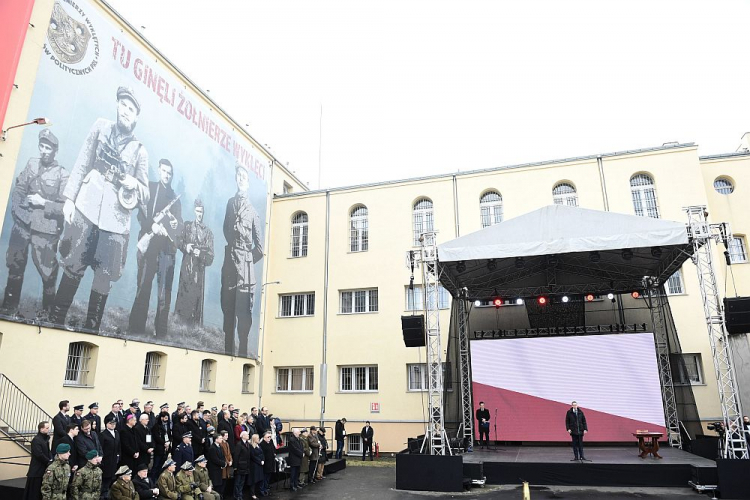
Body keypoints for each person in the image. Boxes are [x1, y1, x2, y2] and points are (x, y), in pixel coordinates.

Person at [51, 86, 149, 332]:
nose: (126, 112)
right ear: (117, 105)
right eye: (124, 105)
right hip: (86, 207)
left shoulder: (140, 151)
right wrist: (70, 199)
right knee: (73, 265)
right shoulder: (100, 127)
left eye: (132, 109)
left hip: (115, 221)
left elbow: (146, 194)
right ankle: (54, 321)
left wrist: (134, 183)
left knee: (104, 277)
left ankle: (90, 331)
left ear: (137, 117)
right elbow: (83, 161)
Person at [2, 128, 68, 316]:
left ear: (55, 151)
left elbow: (64, 208)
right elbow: (19, 188)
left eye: (48, 148)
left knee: (47, 272)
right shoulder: (31, 164)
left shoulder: (62, 174)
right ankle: (9, 306)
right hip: (23, 224)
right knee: (14, 264)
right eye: (42, 146)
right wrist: (18, 210)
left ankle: (49, 312)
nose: (44, 151)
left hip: (45, 231)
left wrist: (43, 202)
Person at [128, 158, 182, 337]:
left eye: (170, 173)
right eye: (164, 171)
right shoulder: (151, 189)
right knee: (143, 287)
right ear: (159, 171)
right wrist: (152, 226)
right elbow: (141, 214)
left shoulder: (175, 199)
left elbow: (179, 227)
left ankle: (161, 333)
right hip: (149, 246)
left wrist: (174, 224)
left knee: (164, 294)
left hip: (166, 251)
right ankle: (136, 329)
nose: (166, 175)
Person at [221, 162, 263, 357]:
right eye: (238, 175)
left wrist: (246, 259)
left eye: (244, 177)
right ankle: (227, 353)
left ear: (248, 183)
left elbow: (260, 249)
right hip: (229, 266)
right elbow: (225, 229)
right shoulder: (230, 203)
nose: (240, 179)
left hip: (245, 272)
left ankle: (243, 356)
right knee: (227, 312)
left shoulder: (253, 213)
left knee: (244, 319)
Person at [174, 198, 214, 326]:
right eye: (197, 211)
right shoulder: (187, 226)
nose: (199, 214)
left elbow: (211, 257)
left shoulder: (208, 233)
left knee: (195, 299)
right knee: (183, 295)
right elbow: (178, 241)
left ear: (204, 212)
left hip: (199, 270)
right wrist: (186, 247)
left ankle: (193, 328)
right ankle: (178, 324)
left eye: (201, 211)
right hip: (186, 267)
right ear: (194, 211)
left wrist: (201, 254)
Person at [22, 421, 51, 500]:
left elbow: (48, 451)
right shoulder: (36, 440)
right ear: (41, 429)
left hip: (43, 469)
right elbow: (39, 454)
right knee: (34, 493)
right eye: (47, 428)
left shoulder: (45, 439)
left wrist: (50, 459)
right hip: (36, 471)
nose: (49, 429)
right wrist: (48, 461)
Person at [100, 414, 121, 497]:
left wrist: (119, 456)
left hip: (114, 461)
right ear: (106, 424)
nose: (113, 425)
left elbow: (119, 446)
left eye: (114, 423)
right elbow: (101, 448)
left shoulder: (116, 433)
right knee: (105, 481)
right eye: (110, 423)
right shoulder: (103, 434)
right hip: (106, 461)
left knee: (112, 479)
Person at [151, 411, 172, 480]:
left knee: (162, 465)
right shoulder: (156, 426)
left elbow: (169, 435)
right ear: (162, 418)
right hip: (159, 448)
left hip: (166, 448)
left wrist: (169, 442)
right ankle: (153, 480)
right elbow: (156, 437)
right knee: (156, 465)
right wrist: (164, 443)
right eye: (165, 418)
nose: (166, 419)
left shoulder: (167, 425)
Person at [206, 432, 227, 498]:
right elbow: (215, 459)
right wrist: (223, 463)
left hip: (219, 469)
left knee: (220, 485)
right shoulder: (212, 448)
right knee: (216, 485)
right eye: (220, 438)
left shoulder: (220, 447)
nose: (221, 439)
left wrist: (224, 462)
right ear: (216, 439)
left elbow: (222, 456)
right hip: (214, 470)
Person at [233, 430, 252, 500]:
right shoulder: (239, 444)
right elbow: (236, 456)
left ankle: (240, 494)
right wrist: (235, 467)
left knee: (242, 482)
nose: (248, 436)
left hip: (245, 466)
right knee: (238, 482)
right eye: (247, 435)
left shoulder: (247, 444)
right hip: (240, 466)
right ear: (243, 436)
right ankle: (237, 495)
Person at [286, 428, 304, 492]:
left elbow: (301, 447)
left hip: (298, 458)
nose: (299, 433)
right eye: (299, 432)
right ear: (295, 433)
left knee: (297, 473)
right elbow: (294, 449)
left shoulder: (298, 439)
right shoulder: (291, 440)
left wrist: (302, 452)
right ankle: (292, 485)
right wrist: (301, 453)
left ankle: (296, 484)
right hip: (294, 459)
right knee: (293, 473)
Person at [259, 431, 276, 495]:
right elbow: (262, 454)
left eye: (270, 437)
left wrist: (274, 453)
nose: (269, 438)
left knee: (268, 476)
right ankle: (262, 489)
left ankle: (266, 488)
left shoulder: (270, 442)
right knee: (264, 477)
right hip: (266, 463)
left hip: (271, 461)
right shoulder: (262, 444)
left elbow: (273, 448)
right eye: (268, 437)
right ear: (264, 437)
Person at [249, 434, 264, 499]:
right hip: (254, 465)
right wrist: (259, 461)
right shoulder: (251, 446)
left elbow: (262, 453)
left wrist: (263, 459)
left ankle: (258, 491)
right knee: (254, 480)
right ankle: (252, 494)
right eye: (257, 438)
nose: (258, 439)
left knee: (259, 479)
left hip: (260, 464)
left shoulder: (259, 445)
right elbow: (253, 456)